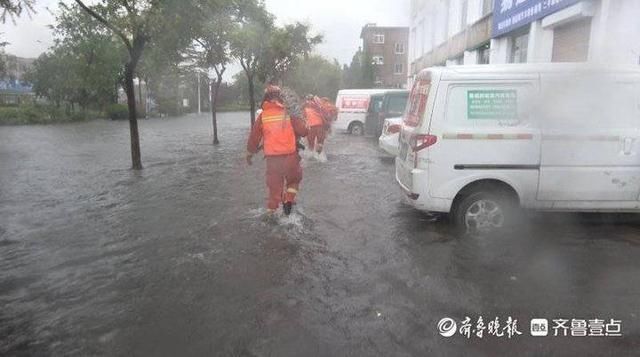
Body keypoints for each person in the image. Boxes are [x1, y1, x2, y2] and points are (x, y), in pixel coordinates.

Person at [246, 86, 308, 216]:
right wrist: (305, 123)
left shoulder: (263, 116)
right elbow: (304, 131)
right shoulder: (289, 113)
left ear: (266, 99)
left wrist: (249, 154)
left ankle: (271, 214)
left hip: (273, 162)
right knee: (294, 181)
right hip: (291, 158)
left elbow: (254, 137)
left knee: (274, 192)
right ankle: (288, 199)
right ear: (281, 97)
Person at [303, 95, 329, 161]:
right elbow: (326, 114)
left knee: (311, 143)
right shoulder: (319, 105)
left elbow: (303, 117)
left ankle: (312, 156)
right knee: (320, 142)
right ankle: (319, 156)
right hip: (320, 126)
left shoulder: (305, 106)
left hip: (311, 126)